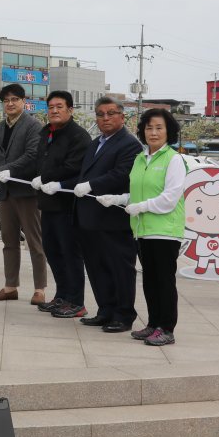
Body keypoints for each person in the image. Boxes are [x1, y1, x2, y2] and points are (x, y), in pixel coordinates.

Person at [98, 108, 187, 346]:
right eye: (149, 128)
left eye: (159, 128)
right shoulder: (140, 158)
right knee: (149, 280)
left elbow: (169, 198)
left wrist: (141, 206)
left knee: (164, 281)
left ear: (169, 132)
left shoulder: (174, 159)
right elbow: (136, 193)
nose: (153, 132)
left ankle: (166, 328)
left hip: (165, 231)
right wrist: (117, 199)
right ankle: (153, 324)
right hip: (142, 230)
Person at [66, 96, 142, 333]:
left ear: (122, 116)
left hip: (113, 219)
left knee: (119, 268)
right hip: (89, 219)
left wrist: (92, 185)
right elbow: (81, 173)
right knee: (97, 268)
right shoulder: (95, 142)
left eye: (111, 113)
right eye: (100, 114)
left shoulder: (129, 144)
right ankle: (105, 310)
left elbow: (122, 174)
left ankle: (124, 314)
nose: (105, 118)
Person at [0, 83, 47, 305]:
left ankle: (40, 289)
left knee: (34, 242)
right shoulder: (0, 127)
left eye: (15, 99)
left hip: (26, 192)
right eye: (6, 100)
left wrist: (3, 170)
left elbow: (31, 155)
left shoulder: (34, 125)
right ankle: (11, 286)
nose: (10, 104)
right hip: (6, 193)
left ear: (23, 102)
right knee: (9, 241)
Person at [32, 91, 92, 319]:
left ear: (70, 110)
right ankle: (62, 296)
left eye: (59, 106)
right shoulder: (46, 132)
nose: (54, 111)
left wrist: (50, 180)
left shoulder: (79, 136)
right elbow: (39, 161)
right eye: (51, 107)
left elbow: (74, 168)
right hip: (47, 204)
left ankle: (76, 302)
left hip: (68, 205)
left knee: (70, 253)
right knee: (53, 252)